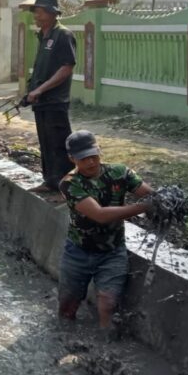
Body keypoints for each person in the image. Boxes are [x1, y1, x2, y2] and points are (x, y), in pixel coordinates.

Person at [58, 130, 154, 329]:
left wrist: (165, 201)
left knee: (108, 303)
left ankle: (105, 342)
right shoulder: (69, 184)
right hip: (77, 253)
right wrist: (144, 207)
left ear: (99, 150)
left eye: (93, 156)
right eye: (83, 159)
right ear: (71, 159)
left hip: (113, 252)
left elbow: (148, 194)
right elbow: (100, 215)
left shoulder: (120, 172)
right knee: (68, 306)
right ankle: (65, 335)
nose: (91, 162)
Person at [25, 0, 76, 193]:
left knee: (59, 144)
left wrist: (41, 89)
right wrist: (32, 90)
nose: (36, 16)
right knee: (46, 143)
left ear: (52, 13)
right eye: (35, 12)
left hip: (55, 100)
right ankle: (50, 181)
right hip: (41, 101)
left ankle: (68, 187)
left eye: (40, 12)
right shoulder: (43, 36)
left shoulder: (63, 35)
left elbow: (66, 68)